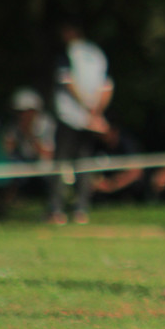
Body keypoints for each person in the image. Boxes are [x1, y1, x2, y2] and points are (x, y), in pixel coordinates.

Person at [48, 17, 114, 225]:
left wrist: (85, 105)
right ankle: (81, 211)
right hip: (90, 119)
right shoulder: (97, 54)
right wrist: (96, 112)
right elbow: (107, 87)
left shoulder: (67, 53)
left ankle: (57, 211)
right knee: (85, 164)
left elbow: (68, 82)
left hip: (70, 117)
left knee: (61, 164)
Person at [3, 87, 56, 204]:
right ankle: (7, 201)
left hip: (43, 161)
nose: (21, 115)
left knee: (46, 166)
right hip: (23, 160)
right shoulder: (15, 124)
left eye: (24, 112)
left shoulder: (46, 124)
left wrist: (29, 134)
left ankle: (53, 199)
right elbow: (7, 149)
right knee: (10, 164)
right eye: (19, 112)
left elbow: (47, 153)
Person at [90, 121, 147, 203]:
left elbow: (136, 172)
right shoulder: (98, 145)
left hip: (127, 188)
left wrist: (110, 185)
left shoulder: (128, 144)